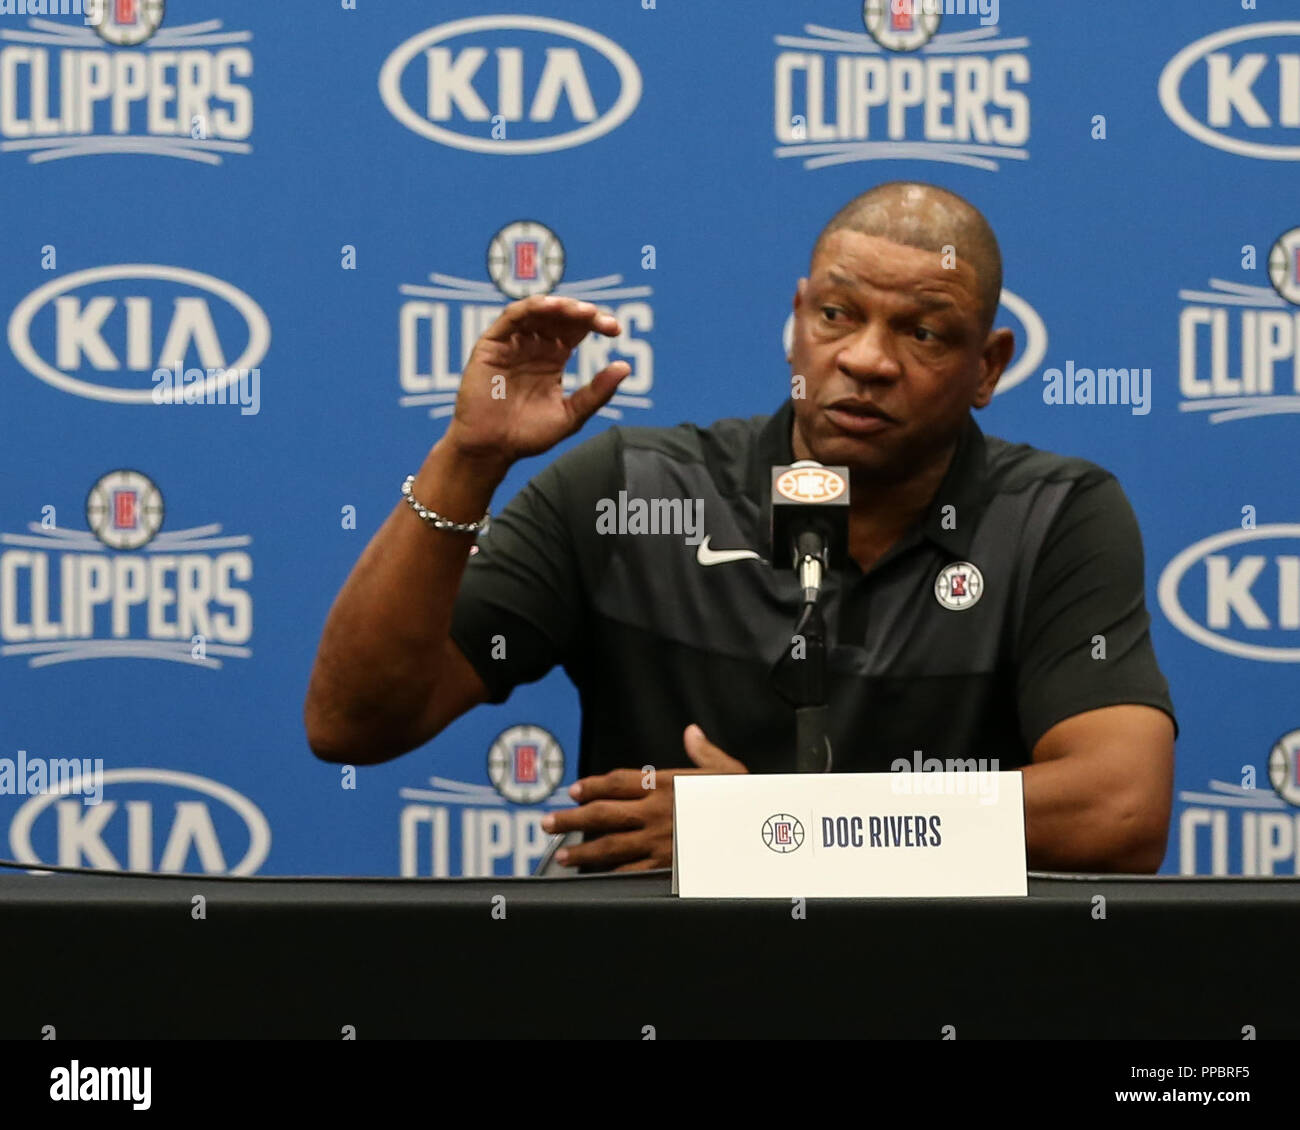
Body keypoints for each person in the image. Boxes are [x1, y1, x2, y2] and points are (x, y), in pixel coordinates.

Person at [305, 181, 1177, 874]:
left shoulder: (1054, 519)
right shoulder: (626, 493)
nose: (868, 360)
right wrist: (470, 456)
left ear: (987, 367)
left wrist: (767, 829)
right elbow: (354, 725)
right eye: (838, 315)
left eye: (922, 332)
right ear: (797, 322)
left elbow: (1120, 812)